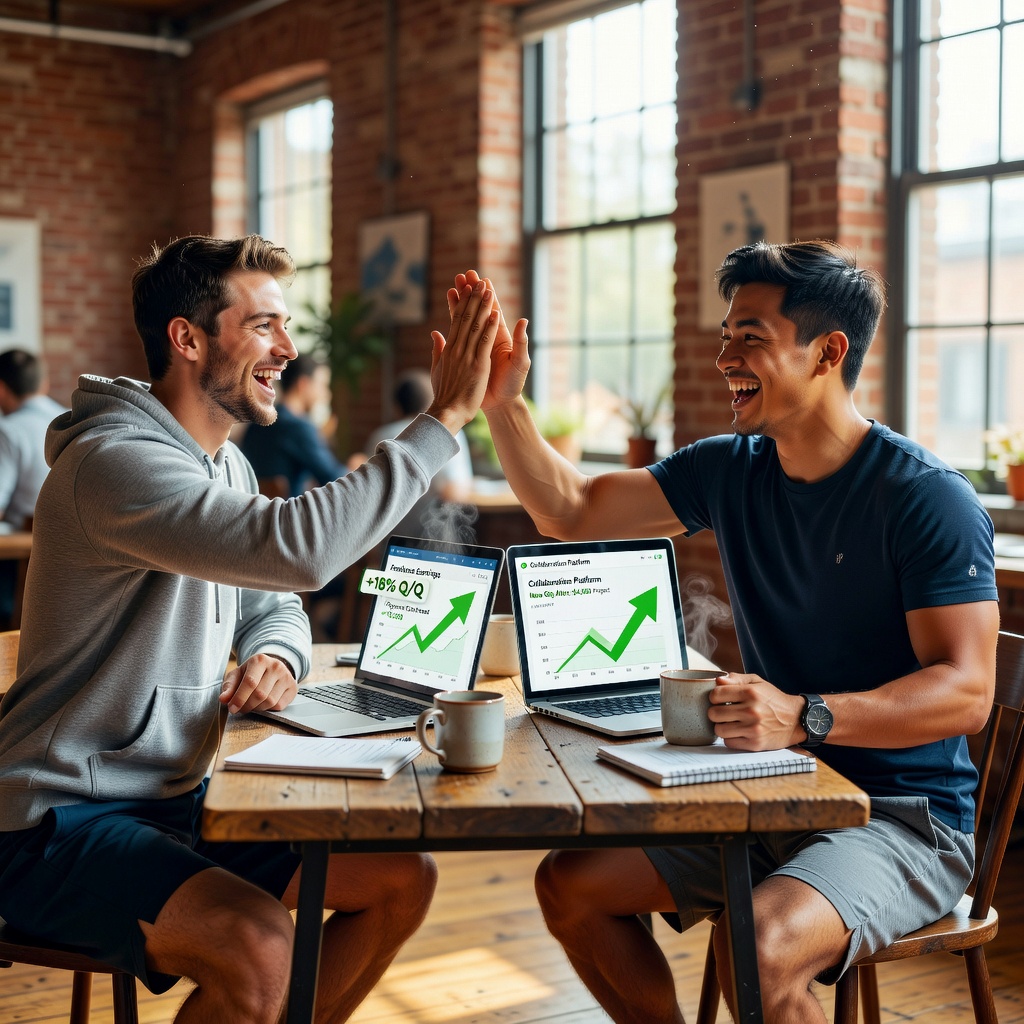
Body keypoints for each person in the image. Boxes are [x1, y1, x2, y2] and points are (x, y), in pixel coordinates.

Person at [446, 243, 999, 1024]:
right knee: (572, 887)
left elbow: (968, 692)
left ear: (828, 352)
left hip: (901, 817)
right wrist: (502, 402)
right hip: (769, 791)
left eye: (750, 337)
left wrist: (805, 715)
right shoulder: (731, 469)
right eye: (726, 333)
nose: (722, 357)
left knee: (757, 944)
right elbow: (568, 512)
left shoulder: (925, 498)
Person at [0, 234, 501, 1024]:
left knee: (401, 880)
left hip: (178, 799)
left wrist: (273, 651)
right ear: (188, 338)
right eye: (264, 325)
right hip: (59, 819)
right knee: (262, 947)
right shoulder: (112, 464)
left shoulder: (223, 463)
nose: (289, 349)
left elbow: (274, 597)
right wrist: (442, 421)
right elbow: (296, 551)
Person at [366, 367, 474, 539]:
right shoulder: (447, 433)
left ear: (397, 407)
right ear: (431, 404)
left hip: (386, 540)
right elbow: (456, 494)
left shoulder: (379, 437)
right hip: (431, 540)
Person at [240, 351, 360, 496]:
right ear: (303, 384)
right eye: (322, 385)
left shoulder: (257, 422)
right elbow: (334, 479)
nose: (326, 393)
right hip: (288, 513)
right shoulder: (298, 427)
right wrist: (356, 469)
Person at [0, 348, 65, 533]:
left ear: (1, 388)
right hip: (76, 550)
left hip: (24, 554)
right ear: (44, 385)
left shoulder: (7, 430)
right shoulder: (73, 420)